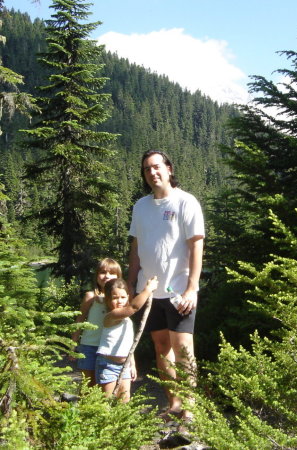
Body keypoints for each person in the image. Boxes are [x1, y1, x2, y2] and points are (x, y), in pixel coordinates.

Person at [127, 150, 205, 421]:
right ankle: (173, 403)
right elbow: (136, 248)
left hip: (179, 291)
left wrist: (192, 288)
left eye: (157, 167)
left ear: (169, 169)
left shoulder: (186, 202)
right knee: (162, 348)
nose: (152, 173)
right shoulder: (141, 206)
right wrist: (130, 284)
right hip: (150, 291)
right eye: (147, 169)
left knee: (183, 349)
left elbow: (196, 244)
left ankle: (190, 409)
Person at [95, 276, 158, 401]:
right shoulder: (111, 316)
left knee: (124, 401)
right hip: (108, 366)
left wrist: (132, 364)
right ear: (107, 299)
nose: (120, 301)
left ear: (128, 297)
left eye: (123, 297)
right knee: (106, 402)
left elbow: (129, 345)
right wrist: (148, 289)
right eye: (115, 298)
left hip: (125, 366)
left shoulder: (127, 321)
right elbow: (133, 308)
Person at [71, 258, 122, 386]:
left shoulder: (121, 299)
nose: (107, 276)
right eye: (103, 272)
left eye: (112, 273)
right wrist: (72, 344)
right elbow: (80, 319)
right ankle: (85, 406)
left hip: (110, 348)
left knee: (106, 384)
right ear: (97, 275)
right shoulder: (91, 296)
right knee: (88, 385)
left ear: (118, 276)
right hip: (89, 346)